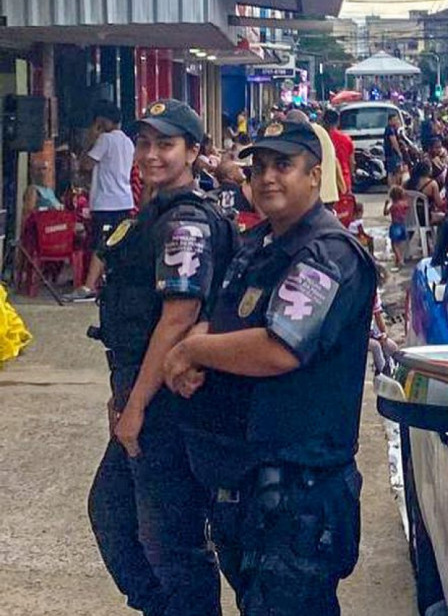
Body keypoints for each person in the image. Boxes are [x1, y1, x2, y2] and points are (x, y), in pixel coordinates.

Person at [164, 118, 376, 615]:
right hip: (250, 488)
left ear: (315, 175)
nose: (267, 178)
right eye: (258, 167)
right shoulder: (262, 245)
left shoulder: (327, 254)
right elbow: (219, 316)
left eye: (284, 165)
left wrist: (194, 352)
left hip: (299, 495)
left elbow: (280, 349)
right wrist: (199, 340)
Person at [88, 99, 234, 616]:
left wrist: (136, 407)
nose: (151, 154)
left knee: (169, 541)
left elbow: (177, 318)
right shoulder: (153, 214)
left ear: (194, 152)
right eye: (145, 143)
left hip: (167, 403)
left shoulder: (185, 223)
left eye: (166, 144)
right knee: (115, 517)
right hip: (138, 390)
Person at [67, 101, 136, 302]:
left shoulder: (105, 140)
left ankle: (89, 286)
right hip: (124, 200)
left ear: (102, 121)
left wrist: (90, 138)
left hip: (106, 202)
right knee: (117, 244)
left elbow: (86, 164)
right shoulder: (128, 141)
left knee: (101, 244)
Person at [321, 108, 354, 198]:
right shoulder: (346, 139)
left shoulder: (319, 138)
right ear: (338, 122)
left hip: (324, 181)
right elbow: (352, 162)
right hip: (343, 180)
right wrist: (351, 177)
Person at [367, 293, 401, 376]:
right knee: (376, 347)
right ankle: (384, 373)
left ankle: (397, 373)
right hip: (356, 335)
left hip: (372, 333)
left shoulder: (373, 295)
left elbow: (378, 316)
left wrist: (384, 333)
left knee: (392, 347)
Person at [383, 186, 409, 268]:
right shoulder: (404, 204)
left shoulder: (393, 206)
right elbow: (408, 207)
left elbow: (385, 213)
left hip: (395, 226)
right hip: (403, 225)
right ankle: (399, 259)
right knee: (400, 243)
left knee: (394, 244)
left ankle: (399, 259)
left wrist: (386, 205)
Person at [383, 112, 405, 186]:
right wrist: (399, 152)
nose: (396, 121)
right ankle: (394, 187)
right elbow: (394, 142)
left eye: (397, 119)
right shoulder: (390, 130)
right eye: (394, 120)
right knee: (394, 172)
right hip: (392, 154)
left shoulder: (392, 129)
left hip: (390, 154)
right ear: (390, 121)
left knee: (392, 171)